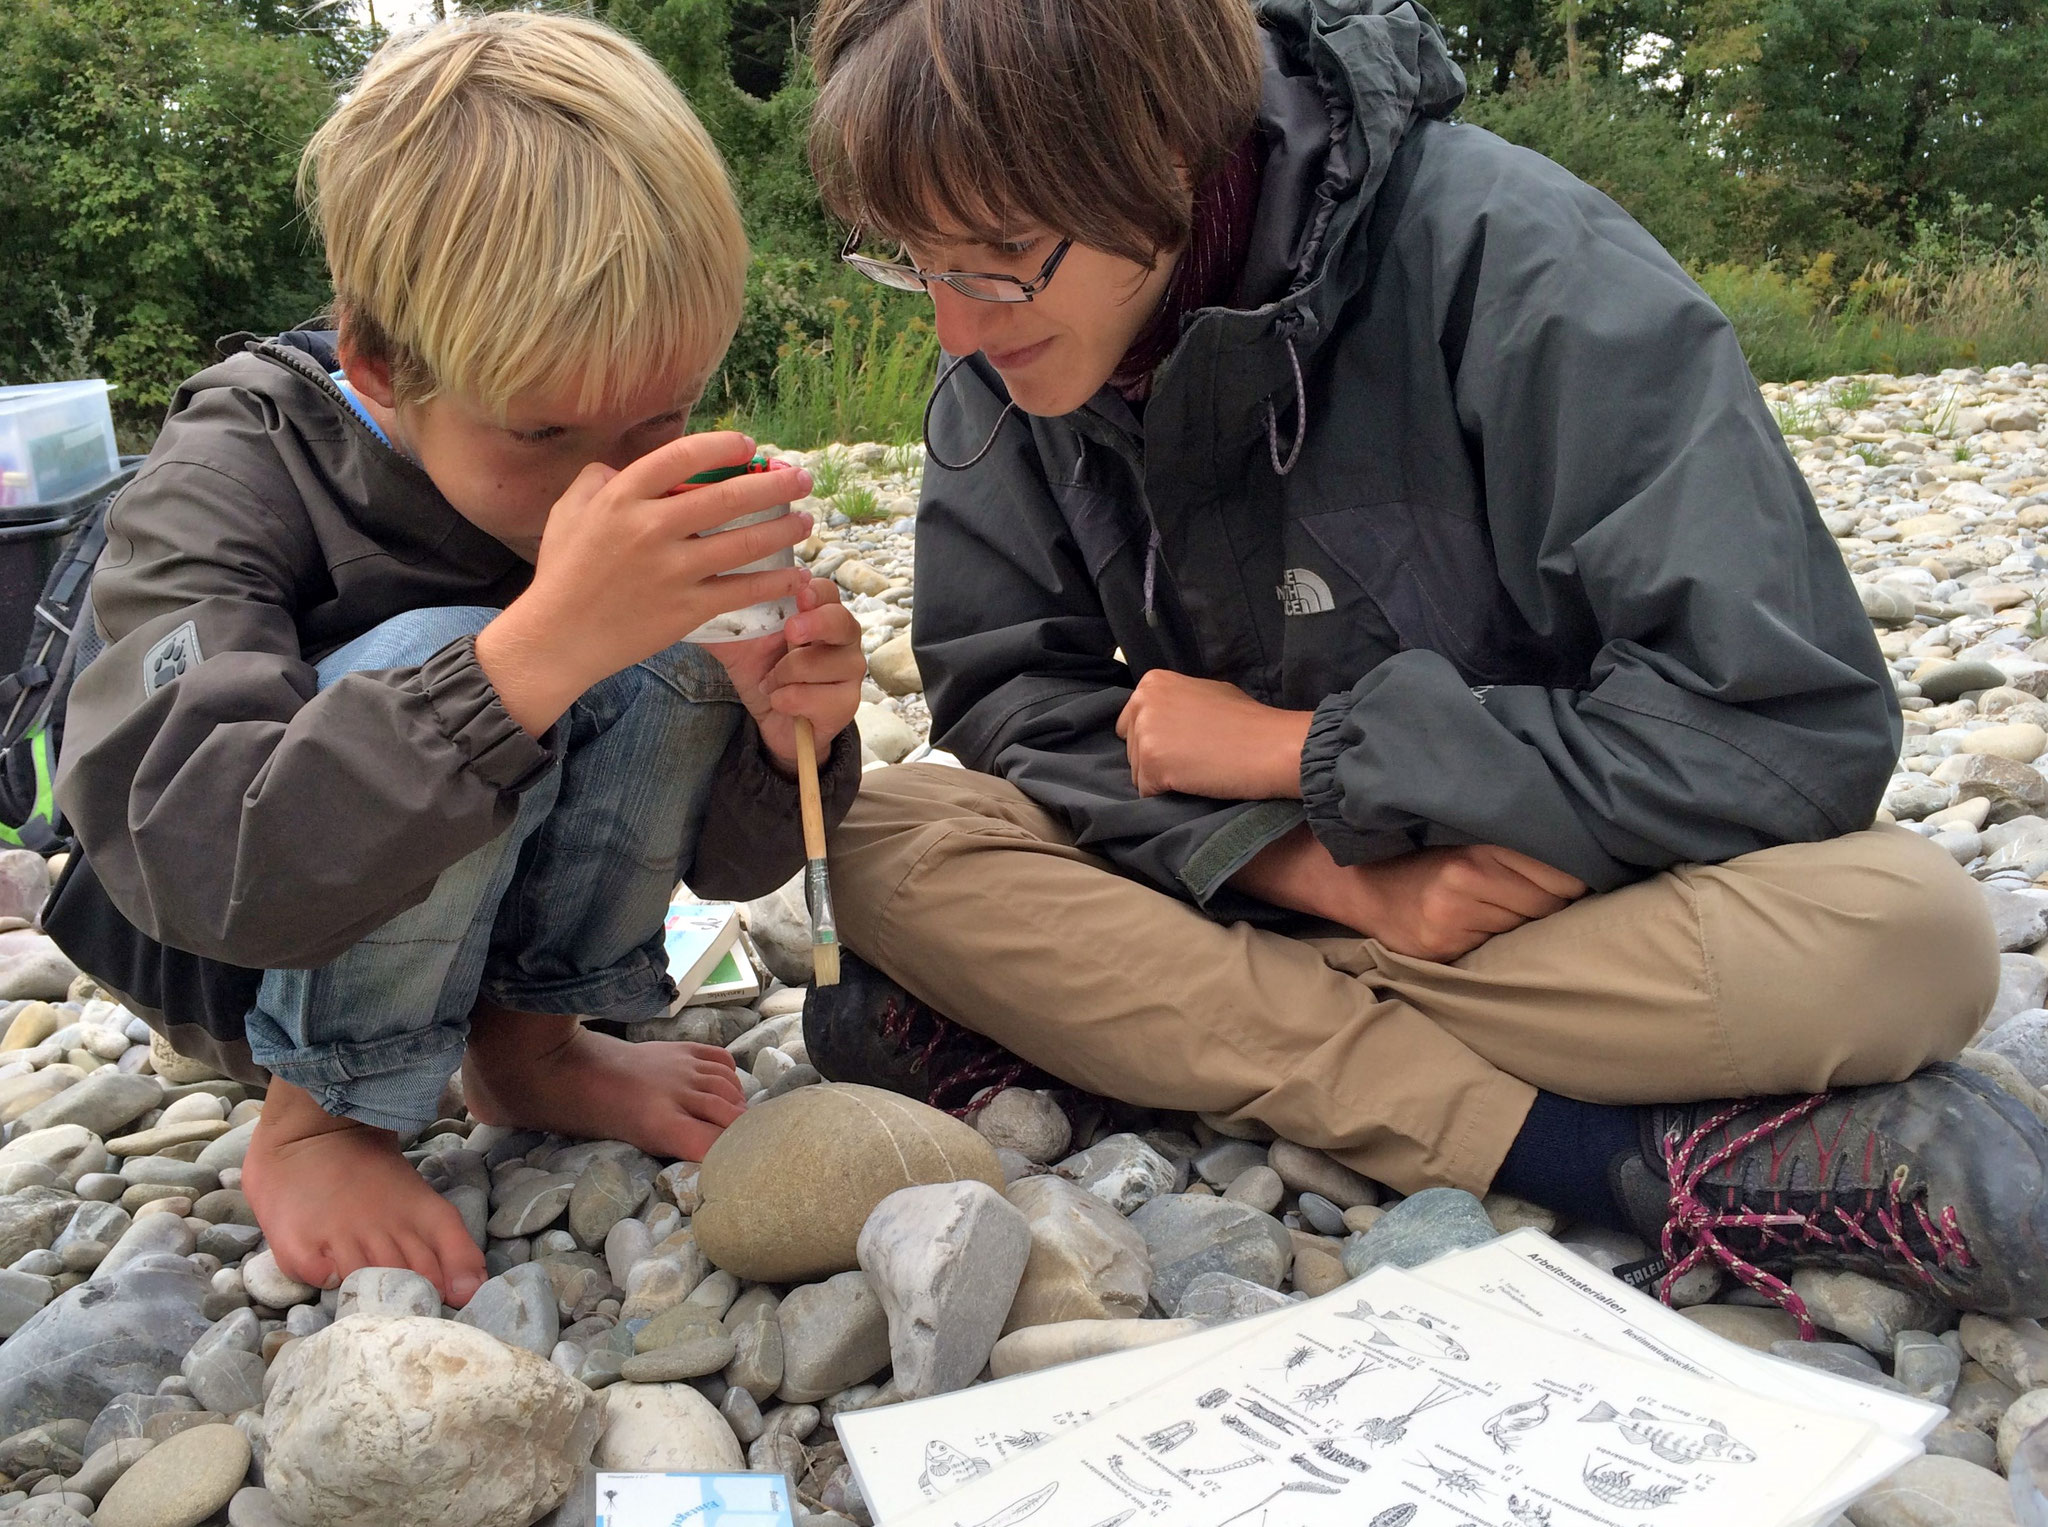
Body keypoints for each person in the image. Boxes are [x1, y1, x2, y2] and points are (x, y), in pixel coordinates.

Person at [797, 0, 2048, 1323]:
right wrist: (1324, 875)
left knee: (1908, 937)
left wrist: (1306, 756)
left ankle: (1127, 1026)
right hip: (1247, 874)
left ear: (1163, 151)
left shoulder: (1525, 264)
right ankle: (1611, 1156)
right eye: (911, 261)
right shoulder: (1009, 352)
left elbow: (1779, 728)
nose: (954, 328)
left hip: (1548, 898)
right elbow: (1012, 698)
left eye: (997, 259)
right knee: (880, 839)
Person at [43, 12, 867, 1307]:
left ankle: (536, 1046)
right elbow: (194, 856)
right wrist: (529, 653)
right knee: (443, 653)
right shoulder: (233, 471)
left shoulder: (560, 442)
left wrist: (787, 734)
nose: (604, 476)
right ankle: (323, 1117)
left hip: (469, 919)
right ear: (381, 362)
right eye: (545, 429)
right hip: (242, 944)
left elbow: (726, 867)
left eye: (660, 418)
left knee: (673, 657)